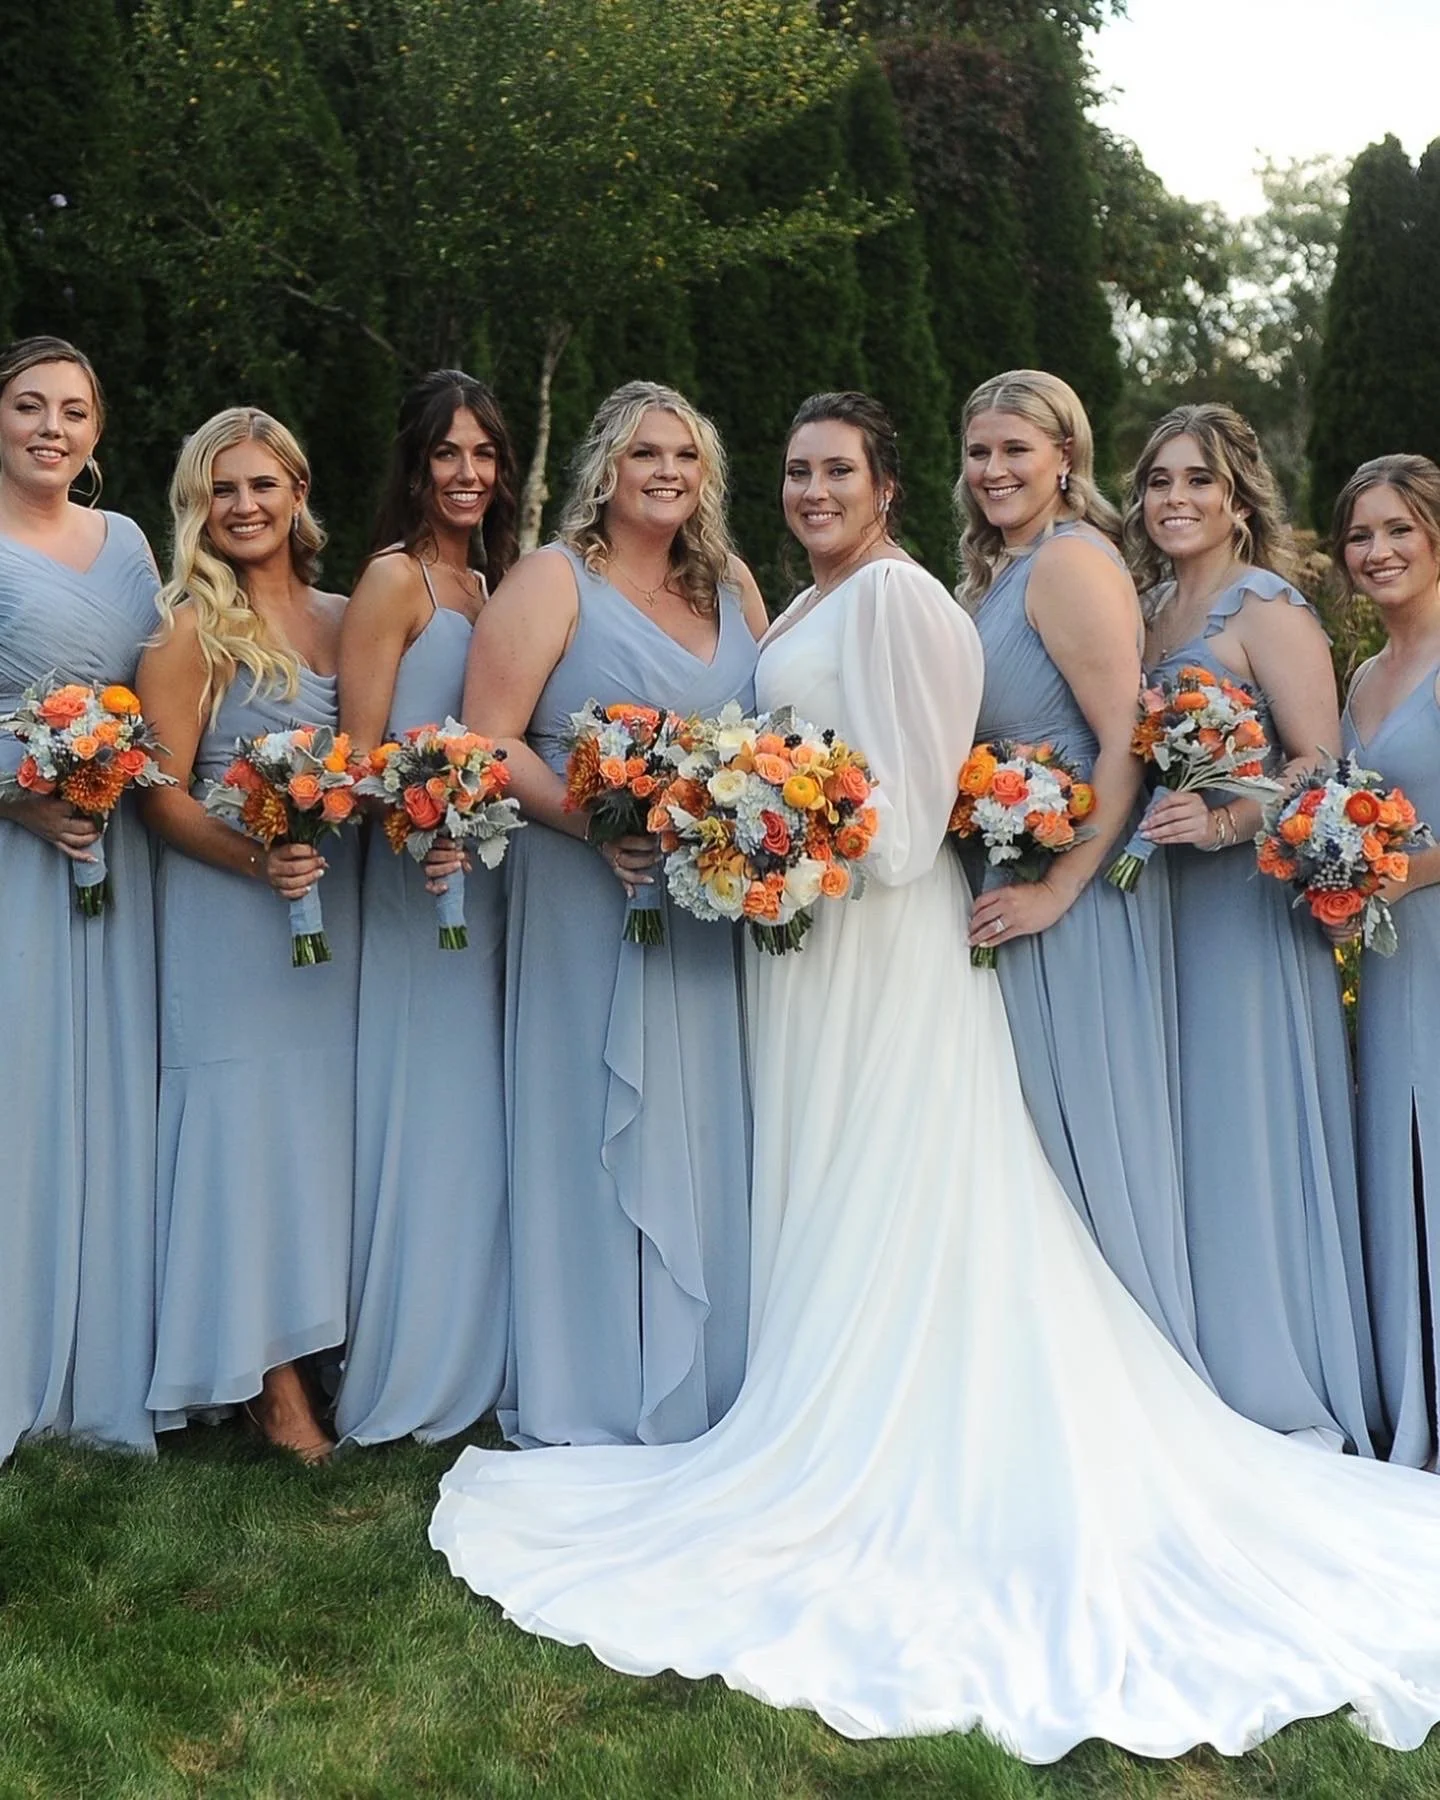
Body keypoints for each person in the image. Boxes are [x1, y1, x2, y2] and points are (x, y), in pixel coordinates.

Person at [430, 389, 1440, 1759]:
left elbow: (905, 827)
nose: (812, 489)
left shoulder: (902, 600)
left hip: (870, 937)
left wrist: (780, 837)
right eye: (793, 469)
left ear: (886, 487)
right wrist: (756, 823)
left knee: (892, 1179)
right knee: (837, 1178)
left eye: (837, 469)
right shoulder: (807, 598)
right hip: (809, 933)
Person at [462, 379, 767, 1448]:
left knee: (705, 1117)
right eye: (646, 454)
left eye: (686, 456)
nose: (668, 473)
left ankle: (704, 1373)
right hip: (581, 889)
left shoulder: (730, 583)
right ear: (607, 466)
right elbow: (489, 741)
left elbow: (763, 743)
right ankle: (590, 1378)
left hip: (700, 908)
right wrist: (597, 824)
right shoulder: (552, 580)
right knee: (589, 1124)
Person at [1127, 404, 1378, 1452]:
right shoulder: (1143, 608)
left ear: (1237, 498)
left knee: (1244, 1127)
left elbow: (1323, 769)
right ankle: (1183, 1369)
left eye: (1198, 481)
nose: (1175, 499)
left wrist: (1226, 820)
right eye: (1158, 482)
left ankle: (1271, 1377)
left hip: (1242, 907)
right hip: (1154, 910)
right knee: (1176, 1130)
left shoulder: (1267, 607)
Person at [957, 370, 1205, 1377]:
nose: (995, 469)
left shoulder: (1069, 564)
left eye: (1016, 449)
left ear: (1066, 458)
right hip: (1013, 876)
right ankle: (1054, 1373)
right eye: (978, 452)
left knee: (1086, 1135)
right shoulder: (1001, 572)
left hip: (1077, 894)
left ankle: (1128, 1376)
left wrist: (1060, 888)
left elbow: (1125, 741)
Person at [137, 407, 357, 1464]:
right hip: (229, 921)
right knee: (240, 1142)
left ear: (298, 492)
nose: (244, 505)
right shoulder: (188, 632)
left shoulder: (343, 616)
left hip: (328, 925)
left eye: (262, 484)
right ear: (198, 508)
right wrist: (254, 859)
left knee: (313, 1145)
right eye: (222, 490)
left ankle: (318, 1346)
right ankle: (271, 1393)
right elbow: (159, 798)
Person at [333, 371, 518, 1448]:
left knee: (473, 1116)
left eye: (484, 455)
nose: (467, 474)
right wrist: (421, 816)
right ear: (416, 463)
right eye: (448, 454)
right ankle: (405, 1363)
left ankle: (473, 1352)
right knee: (423, 1110)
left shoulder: (489, 590)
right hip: (413, 883)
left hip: (481, 880)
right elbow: (357, 762)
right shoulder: (394, 581)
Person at [0, 335, 160, 1464]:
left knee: (112, 1092)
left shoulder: (131, 544)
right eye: (28, 407)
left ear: (98, 433)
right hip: (16, 855)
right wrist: (22, 800)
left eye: (73, 410)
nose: (52, 428)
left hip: (120, 856)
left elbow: (160, 694)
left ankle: (104, 1361)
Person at [1337, 454, 1440, 1469]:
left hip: (1433, 927)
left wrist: (1421, 868)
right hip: (1389, 956)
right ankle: (1415, 1398)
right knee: (1399, 1168)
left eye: (1398, 530)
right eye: (1362, 536)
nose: (1378, 551)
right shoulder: (1362, 676)